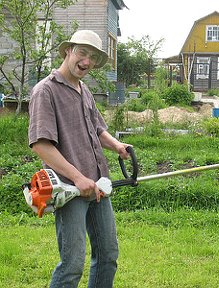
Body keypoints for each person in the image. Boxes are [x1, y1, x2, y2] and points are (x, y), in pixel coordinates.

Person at [28, 30, 130, 288]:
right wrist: (78, 177)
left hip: (98, 186)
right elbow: (41, 144)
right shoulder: (45, 91)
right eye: (82, 53)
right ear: (68, 51)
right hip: (70, 189)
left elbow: (97, 128)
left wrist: (117, 145)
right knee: (72, 265)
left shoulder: (83, 90)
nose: (87, 61)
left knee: (107, 256)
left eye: (93, 57)